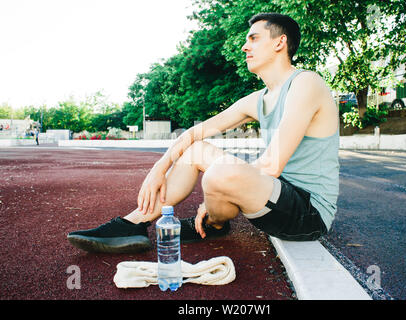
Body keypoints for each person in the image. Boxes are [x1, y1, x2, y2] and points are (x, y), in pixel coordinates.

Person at [67, 13, 340, 254]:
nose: (245, 46)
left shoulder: (306, 83)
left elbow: (271, 164)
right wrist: (159, 168)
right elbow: (194, 133)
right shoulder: (258, 99)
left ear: (280, 42)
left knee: (220, 173)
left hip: (308, 213)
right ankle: (134, 223)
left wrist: (215, 191)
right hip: (275, 195)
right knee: (195, 150)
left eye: (254, 38)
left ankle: (214, 219)